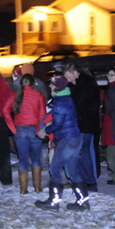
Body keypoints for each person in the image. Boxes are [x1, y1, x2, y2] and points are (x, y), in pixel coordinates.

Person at [35, 76, 88, 211]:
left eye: (52, 85)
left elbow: (57, 123)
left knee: (55, 168)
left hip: (68, 140)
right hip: (74, 138)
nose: (50, 87)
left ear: (56, 87)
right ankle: (83, 202)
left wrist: (45, 130)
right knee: (72, 171)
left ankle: (54, 202)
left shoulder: (60, 102)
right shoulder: (65, 99)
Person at [4, 74, 46, 195]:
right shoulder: (39, 96)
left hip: (19, 130)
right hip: (34, 130)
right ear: (33, 84)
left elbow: (5, 111)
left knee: (22, 160)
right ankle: (37, 187)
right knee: (36, 159)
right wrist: (39, 130)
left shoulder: (15, 95)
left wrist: (13, 128)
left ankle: (23, 189)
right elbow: (42, 115)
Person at [65, 63, 101, 191]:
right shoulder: (77, 84)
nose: (68, 80)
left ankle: (89, 181)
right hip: (81, 123)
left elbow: (82, 104)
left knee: (81, 152)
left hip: (85, 124)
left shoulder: (86, 84)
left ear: (75, 72)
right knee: (81, 152)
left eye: (69, 77)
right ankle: (86, 181)